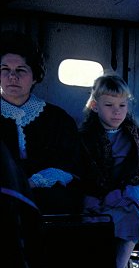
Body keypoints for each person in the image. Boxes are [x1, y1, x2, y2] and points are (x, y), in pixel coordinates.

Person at [78, 74, 139, 268]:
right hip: (97, 190)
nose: (117, 111)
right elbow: (83, 169)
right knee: (88, 217)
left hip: (129, 189)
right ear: (95, 106)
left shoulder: (135, 135)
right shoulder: (85, 136)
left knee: (131, 209)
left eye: (122, 105)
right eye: (109, 105)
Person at [0, 31, 83, 214]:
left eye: (20, 70)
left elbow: (69, 164)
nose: (12, 76)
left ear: (35, 76)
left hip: (47, 201)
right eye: (5, 69)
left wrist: (33, 183)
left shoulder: (58, 119)